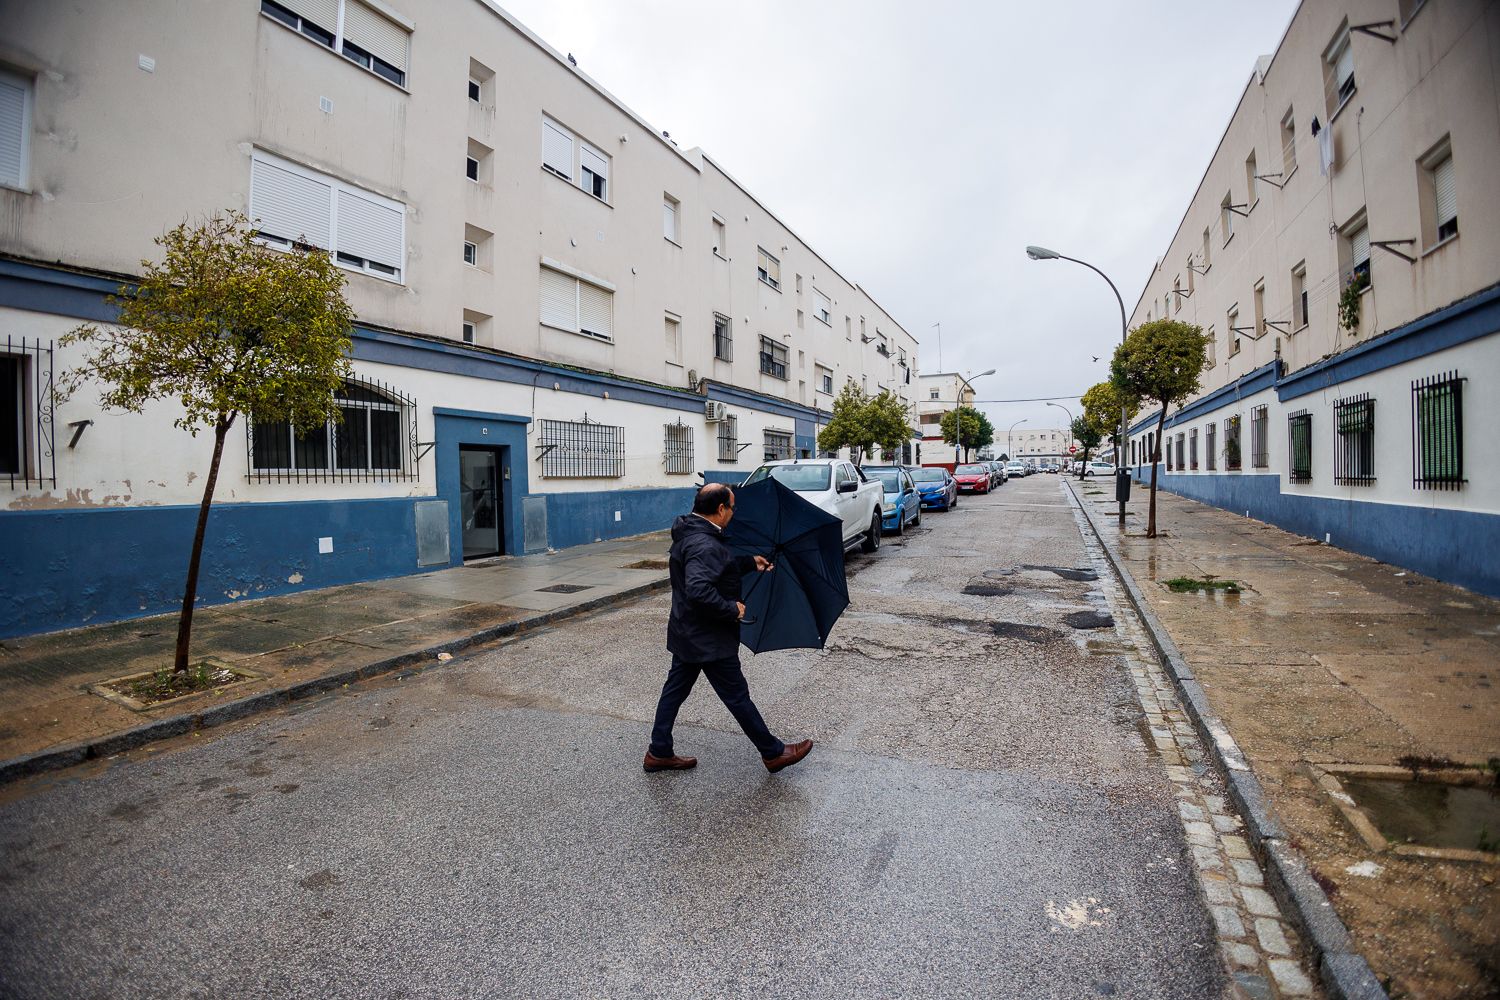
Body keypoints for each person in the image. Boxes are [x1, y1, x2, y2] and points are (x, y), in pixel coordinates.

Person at [645, 483, 814, 775]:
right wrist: (730, 608)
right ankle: (773, 753)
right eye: (732, 507)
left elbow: (711, 566)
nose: (734, 513)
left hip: (688, 632)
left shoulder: (692, 532)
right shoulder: (705, 543)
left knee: (674, 691)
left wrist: (749, 562)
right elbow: (699, 588)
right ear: (721, 509)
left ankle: (659, 751)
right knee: (736, 695)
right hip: (708, 637)